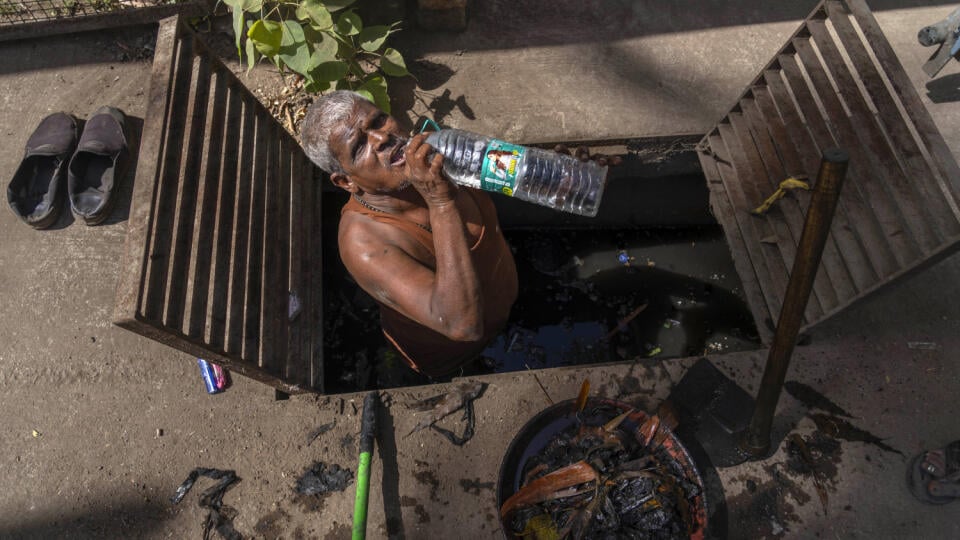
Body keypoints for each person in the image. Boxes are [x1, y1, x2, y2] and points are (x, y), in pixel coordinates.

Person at [301, 91, 519, 378]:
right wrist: (440, 202)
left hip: (507, 310)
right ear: (346, 182)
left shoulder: (439, 150)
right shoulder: (362, 243)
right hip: (455, 358)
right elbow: (461, 324)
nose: (382, 139)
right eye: (358, 147)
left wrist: (560, 175)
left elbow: (519, 173)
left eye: (379, 120)